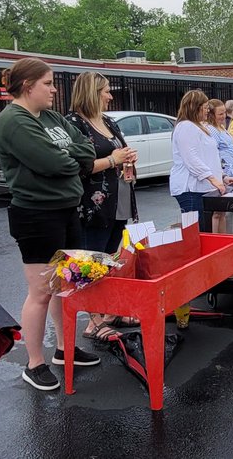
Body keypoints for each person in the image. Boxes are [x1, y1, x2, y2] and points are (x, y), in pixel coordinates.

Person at [0, 57, 100, 392]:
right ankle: (34, 362)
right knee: (40, 292)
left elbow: (86, 148)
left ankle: (66, 348)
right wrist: (73, 159)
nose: (54, 90)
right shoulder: (14, 120)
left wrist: (72, 157)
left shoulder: (51, 117)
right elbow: (55, 163)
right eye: (48, 83)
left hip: (67, 209)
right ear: (28, 86)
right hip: (36, 214)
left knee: (65, 284)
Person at [64, 71, 140, 341]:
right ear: (92, 93)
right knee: (89, 261)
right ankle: (92, 321)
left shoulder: (107, 120)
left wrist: (127, 157)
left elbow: (118, 152)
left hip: (118, 200)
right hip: (93, 205)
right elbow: (76, 167)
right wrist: (113, 159)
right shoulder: (73, 124)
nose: (110, 96)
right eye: (106, 91)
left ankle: (108, 311)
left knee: (108, 259)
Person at [171, 90, 231, 213]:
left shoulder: (196, 126)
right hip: (191, 189)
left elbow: (207, 157)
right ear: (195, 108)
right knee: (196, 224)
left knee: (204, 223)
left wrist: (222, 176)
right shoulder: (186, 126)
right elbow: (191, 159)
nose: (207, 110)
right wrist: (213, 179)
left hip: (201, 188)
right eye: (205, 107)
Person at [207, 98, 233, 232]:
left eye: (224, 113)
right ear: (212, 115)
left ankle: (224, 238)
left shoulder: (221, 127)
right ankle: (216, 238)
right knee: (217, 212)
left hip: (232, 171)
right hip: (224, 172)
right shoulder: (212, 130)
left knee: (223, 211)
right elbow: (214, 151)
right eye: (220, 114)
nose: (223, 116)